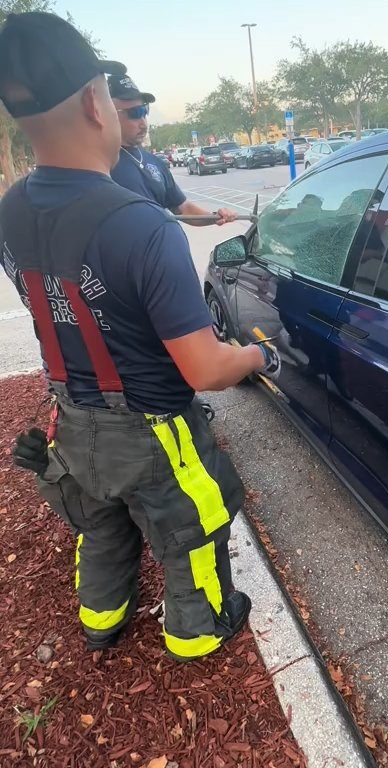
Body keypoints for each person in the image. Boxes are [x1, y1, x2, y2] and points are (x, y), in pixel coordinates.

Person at [0, 11, 280, 661]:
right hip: (152, 427)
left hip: (71, 421)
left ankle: (101, 619)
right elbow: (205, 370)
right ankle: (198, 629)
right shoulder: (139, 225)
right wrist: (259, 353)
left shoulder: (10, 212)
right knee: (190, 530)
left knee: (98, 526)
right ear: (97, 103)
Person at [108, 74, 235, 225]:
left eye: (144, 111)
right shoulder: (101, 164)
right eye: (135, 113)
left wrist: (215, 217)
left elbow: (183, 208)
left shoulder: (154, 163)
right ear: (109, 113)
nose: (143, 123)